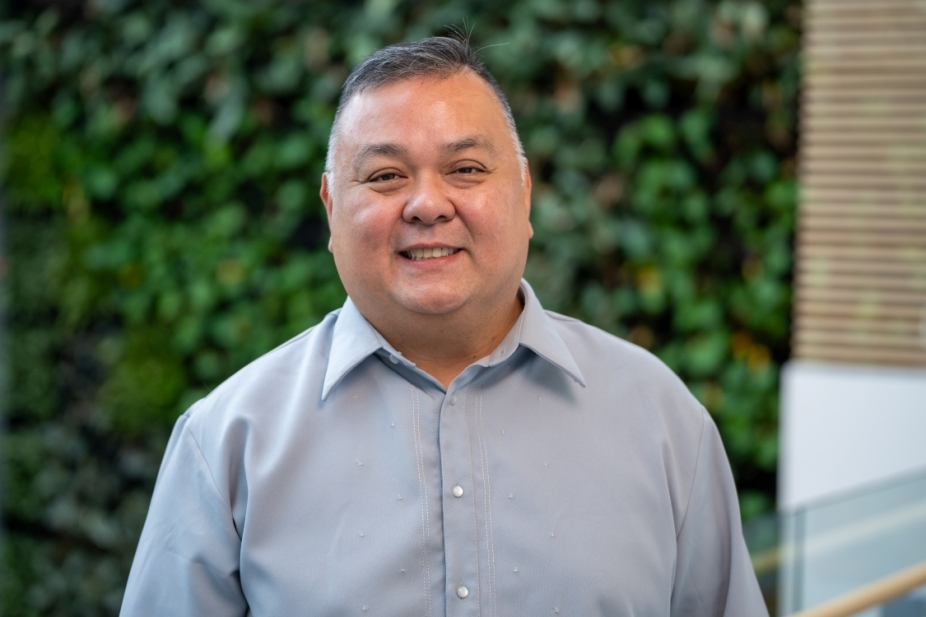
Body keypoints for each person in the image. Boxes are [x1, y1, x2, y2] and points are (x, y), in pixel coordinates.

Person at [121, 35, 768, 616]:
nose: (428, 205)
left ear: (523, 194)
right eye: (384, 176)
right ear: (330, 208)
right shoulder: (228, 441)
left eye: (465, 169)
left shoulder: (659, 419)